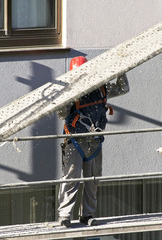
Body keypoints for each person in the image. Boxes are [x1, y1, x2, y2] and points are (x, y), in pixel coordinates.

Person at [57, 56, 130, 227]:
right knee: (70, 179)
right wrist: (65, 100)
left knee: (93, 180)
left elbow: (123, 88)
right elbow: (61, 114)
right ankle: (65, 216)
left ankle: (87, 215)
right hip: (74, 141)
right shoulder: (71, 92)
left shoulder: (101, 88)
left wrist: (121, 70)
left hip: (95, 141)